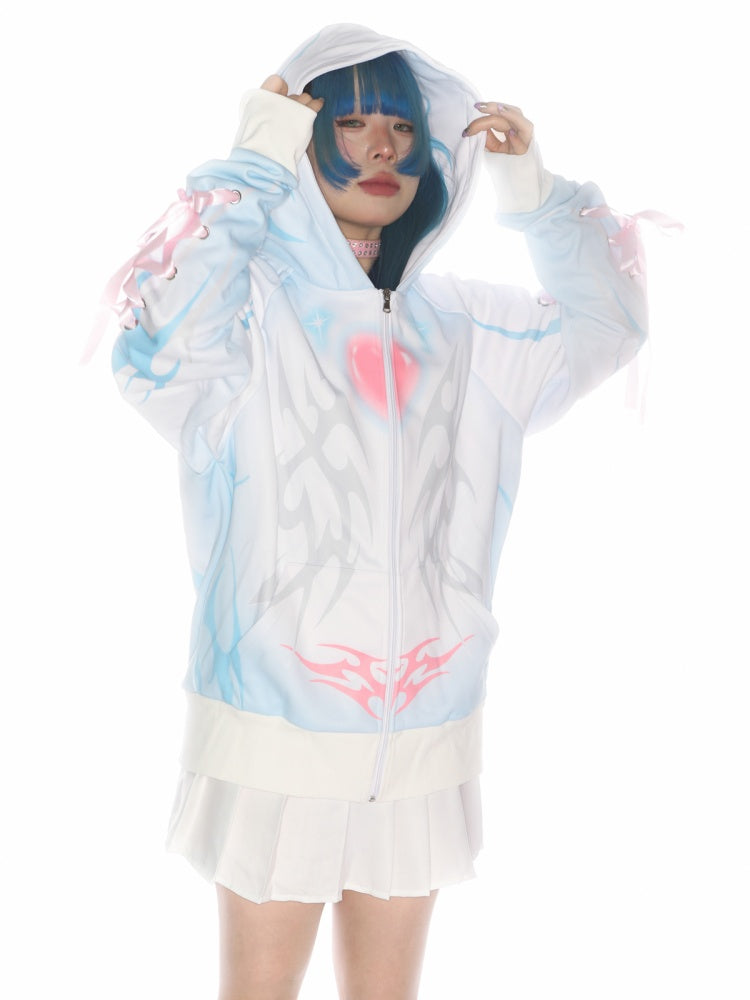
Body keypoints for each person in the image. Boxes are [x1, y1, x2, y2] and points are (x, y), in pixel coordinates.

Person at [106, 22, 647, 1000]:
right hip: (273, 729)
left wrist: (537, 199)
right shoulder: (245, 318)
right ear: (305, 141)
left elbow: (607, 327)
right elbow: (156, 346)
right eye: (348, 124)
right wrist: (253, 160)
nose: (383, 147)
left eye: (400, 125)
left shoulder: (471, 327)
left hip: (428, 736)